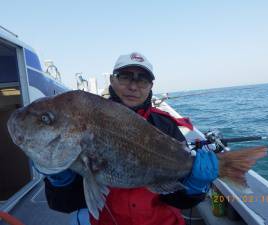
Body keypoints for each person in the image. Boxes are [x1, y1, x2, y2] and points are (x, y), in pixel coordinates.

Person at [44, 52, 218, 225]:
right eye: (125, 77)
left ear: (151, 86)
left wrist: (195, 188)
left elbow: (176, 200)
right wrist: (59, 182)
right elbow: (66, 204)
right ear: (112, 80)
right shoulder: (84, 121)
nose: (133, 87)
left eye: (142, 79)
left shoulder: (165, 125)